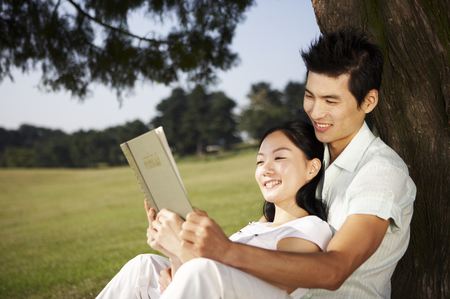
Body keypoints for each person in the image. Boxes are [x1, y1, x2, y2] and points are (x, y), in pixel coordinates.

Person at [155, 28, 417, 299]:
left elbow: (335, 270)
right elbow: (263, 233)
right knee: (146, 267)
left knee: (197, 276)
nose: (316, 111)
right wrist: (183, 248)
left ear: (368, 101)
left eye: (331, 100)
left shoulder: (381, 172)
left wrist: (223, 251)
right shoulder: (311, 158)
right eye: (310, 96)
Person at [96, 121, 333, 299]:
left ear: (312, 168)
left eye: (279, 158)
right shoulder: (259, 228)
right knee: (144, 265)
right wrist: (174, 252)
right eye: (260, 161)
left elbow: (281, 286)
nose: (266, 169)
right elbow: (200, 276)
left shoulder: (309, 226)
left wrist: (182, 249)